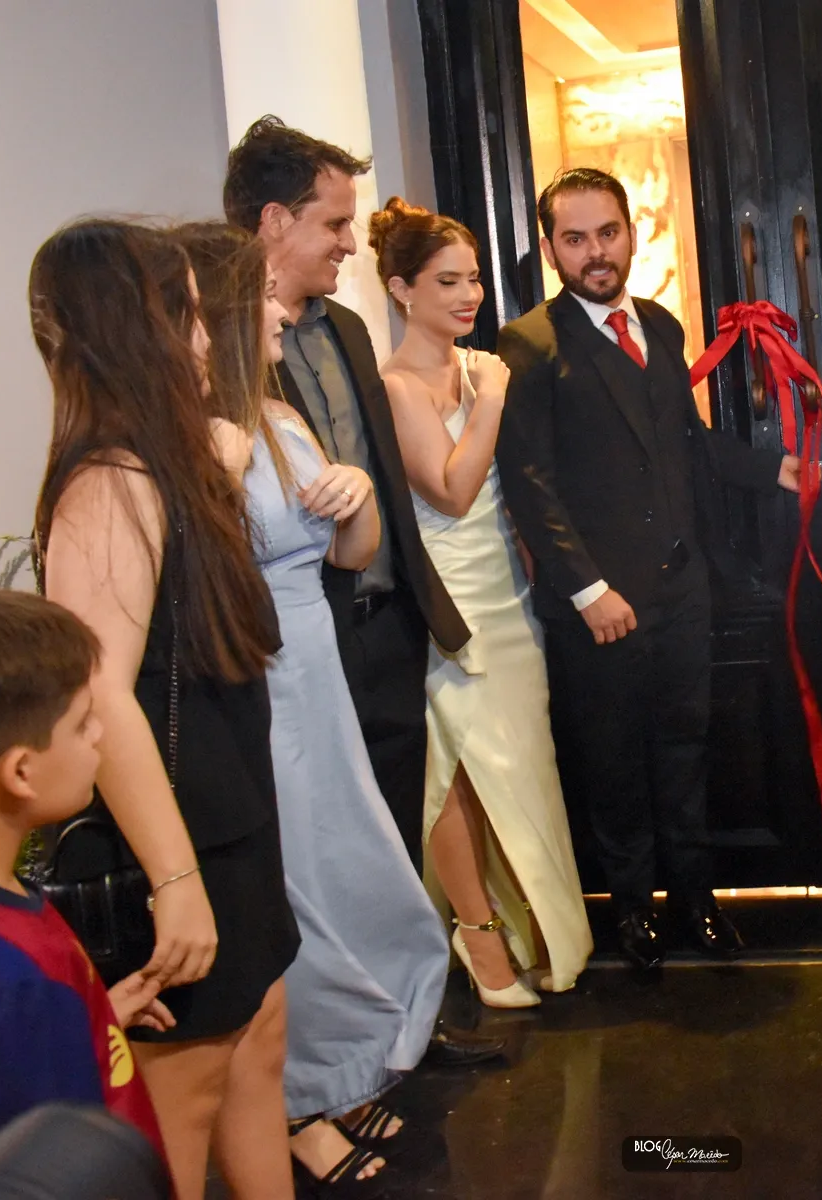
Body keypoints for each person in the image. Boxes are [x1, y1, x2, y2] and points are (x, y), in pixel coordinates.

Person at [223, 116, 503, 1068]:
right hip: (299, 642)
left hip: (387, 621)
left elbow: (379, 473)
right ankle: (337, 1055)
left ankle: (408, 1027)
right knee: (319, 854)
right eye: (335, 223)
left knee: (391, 835)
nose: (351, 242)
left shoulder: (345, 328)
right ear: (273, 221)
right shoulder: (219, 348)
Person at [177, 223, 450, 1196]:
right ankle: (292, 1106)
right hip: (252, 684)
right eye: (263, 304)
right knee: (289, 896)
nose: (281, 322)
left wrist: (359, 492)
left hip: (317, 672)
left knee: (349, 876)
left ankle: (333, 1079)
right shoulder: (187, 440)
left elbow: (348, 553)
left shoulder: (281, 417)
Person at [33, 219, 298, 1200]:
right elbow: (100, 690)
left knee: (257, 1051)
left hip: (230, 821)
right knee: (178, 1113)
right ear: (139, 328)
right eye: (184, 314)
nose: (202, 337)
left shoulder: (157, 468)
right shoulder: (109, 481)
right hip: (181, 840)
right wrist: (175, 878)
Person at [495, 167, 800, 969]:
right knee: (614, 765)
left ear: (631, 234)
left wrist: (772, 467)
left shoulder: (660, 326)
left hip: (681, 589)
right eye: (575, 239)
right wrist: (588, 590)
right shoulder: (529, 344)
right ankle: (632, 915)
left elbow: (688, 446)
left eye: (607, 233)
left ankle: (696, 903)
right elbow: (529, 485)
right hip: (598, 605)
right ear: (551, 250)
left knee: (686, 750)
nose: (595, 252)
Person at [369, 198, 592, 1004]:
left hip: (509, 593)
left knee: (523, 769)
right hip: (449, 604)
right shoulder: (396, 385)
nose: (468, 296)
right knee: (456, 773)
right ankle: (478, 932)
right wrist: (491, 396)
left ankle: (537, 929)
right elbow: (452, 490)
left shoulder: (476, 365)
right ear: (401, 289)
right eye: (447, 281)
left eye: (473, 280)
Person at [0, 584, 171, 1185]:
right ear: (20, 771)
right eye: (82, 723)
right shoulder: (6, 982)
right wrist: (46, 1016)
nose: (99, 736)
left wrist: (88, 1022)